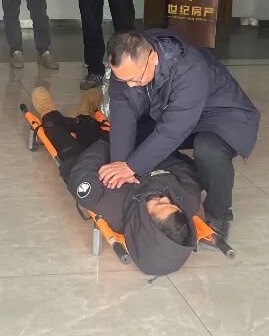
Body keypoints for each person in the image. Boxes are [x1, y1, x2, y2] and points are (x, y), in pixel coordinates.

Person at [103, 30, 260, 239]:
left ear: (153, 58)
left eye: (134, 79)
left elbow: (173, 130)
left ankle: (219, 213)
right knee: (138, 139)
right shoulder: (127, 65)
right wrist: (121, 164)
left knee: (209, 150)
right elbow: (123, 115)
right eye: (122, 79)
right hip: (174, 114)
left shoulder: (190, 68)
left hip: (222, 117)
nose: (129, 85)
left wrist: (132, 166)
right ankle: (180, 173)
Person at [29, 87, 202, 276]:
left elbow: (81, 174)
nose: (165, 198)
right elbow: (179, 164)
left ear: (145, 222)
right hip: (129, 155)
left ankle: (47, 109)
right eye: (171, 204)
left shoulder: (114, 209)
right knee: (91, 127)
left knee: (54, 127)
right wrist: (136, 163)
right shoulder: (188, 197)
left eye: (159, 204)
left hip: (85, 162)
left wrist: (113, 157)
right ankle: (83, 112)